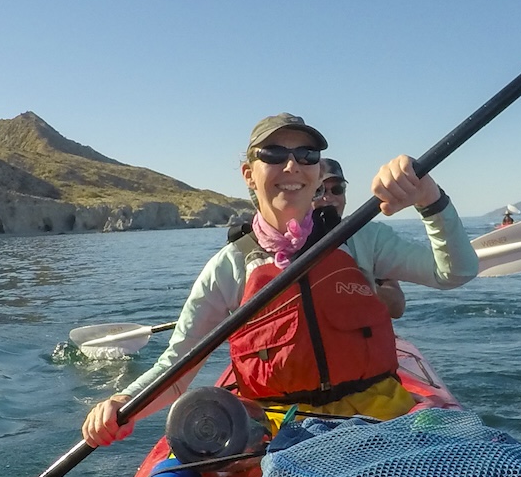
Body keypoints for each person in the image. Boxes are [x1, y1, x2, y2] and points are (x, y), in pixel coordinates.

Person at [82, 113, 476, 447]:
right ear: (248, 175)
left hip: (384, 419)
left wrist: (430, 197)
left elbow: (455, 272)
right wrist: (123, 401)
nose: (292, 166)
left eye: (306, 155)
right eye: (273, 154)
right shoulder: (228, 268)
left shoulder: (362, 239)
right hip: (285, 434)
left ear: (319, 173)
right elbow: (177, 368)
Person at [316, 158, 407, 319]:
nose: (328, 197)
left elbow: (397, 306)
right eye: (319, 190)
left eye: (337, 189)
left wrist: (361, 287)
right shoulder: (290, 241)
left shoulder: (367, 239)